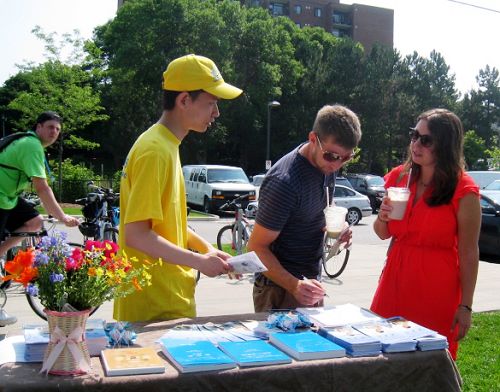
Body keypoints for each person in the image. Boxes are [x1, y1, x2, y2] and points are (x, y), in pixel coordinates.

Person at [113, 54, 243, 322]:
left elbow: (169, 224)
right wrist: (199, 262)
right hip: (154, 303)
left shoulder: (165, 145)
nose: (216, 113)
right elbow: (137, 235)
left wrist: (207, 249)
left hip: (166, 296)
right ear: (184, 100)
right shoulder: (155, 151)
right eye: (211, 103)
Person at [371, 108, 480, 360]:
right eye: (414, 136)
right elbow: (381, 233)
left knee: (429, 362)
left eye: (426, 139)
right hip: (394, 282)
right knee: (381, 356)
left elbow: (468, 252)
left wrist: (466, 306)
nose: (416, 144)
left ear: (445, 145)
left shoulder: (464, 189)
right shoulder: (400, 177)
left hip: (436, 287)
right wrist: (382, 217)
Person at [248, 104, 362, 312]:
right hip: (279, 289)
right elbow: (256, 247)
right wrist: (294, 285)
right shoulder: (284, 182)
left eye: (346, 158)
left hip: (309, 284)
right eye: (332, 156)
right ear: (313, 139)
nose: (337, 165)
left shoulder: (325, 165)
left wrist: (339, 225)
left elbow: (324, 205)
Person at [0, 111, 80, 326]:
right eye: (50, 127)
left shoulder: (31, 144)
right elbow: (42, 188)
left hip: (8, 197)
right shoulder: (31, 145)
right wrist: (62, 217)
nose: (54, 132)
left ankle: (1, 251)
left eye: (58, 129)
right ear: (38, 128)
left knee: (35, 222)